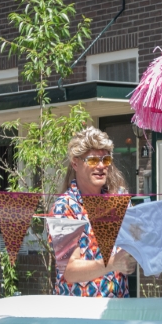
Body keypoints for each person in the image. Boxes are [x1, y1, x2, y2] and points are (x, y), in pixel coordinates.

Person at [51, 127, 134, 297]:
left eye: (106, 159)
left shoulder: (118, 200)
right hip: (79, 310)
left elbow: (134, 245)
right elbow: (69, 270)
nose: (101, 166)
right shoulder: (65, 206)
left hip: (118, 306)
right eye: (93, 160)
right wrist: (113, 263)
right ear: (75, 163)